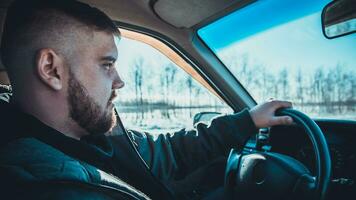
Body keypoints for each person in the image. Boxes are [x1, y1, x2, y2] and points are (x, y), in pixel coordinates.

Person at [0, 0, 293, 199]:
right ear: (52, 69)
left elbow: (168, 152)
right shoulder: (46, 187)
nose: (120, 81)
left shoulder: (92, 135)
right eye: (106, 64)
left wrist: (249, 120)